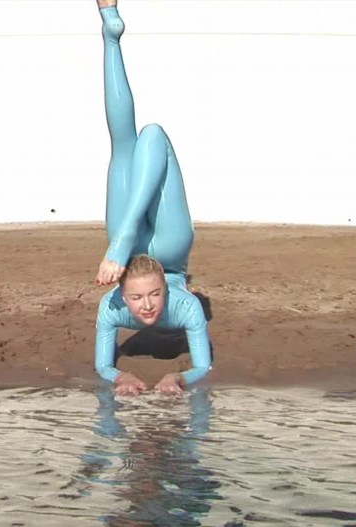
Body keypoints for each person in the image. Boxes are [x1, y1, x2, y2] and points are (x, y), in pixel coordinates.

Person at [92, 0, 212, 395]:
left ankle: (110, 33)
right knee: (149, 137)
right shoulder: (115, 306)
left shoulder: (182, 306)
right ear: (123, 296)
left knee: (130, 142)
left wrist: (177, 376)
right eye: (138, 298)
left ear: (165, 291)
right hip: (170, 251)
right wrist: (121, 377)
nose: (145, 306)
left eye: (155, 295)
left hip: (125, 251)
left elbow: (202, 366)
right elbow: (103, 366)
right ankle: (111, 32)